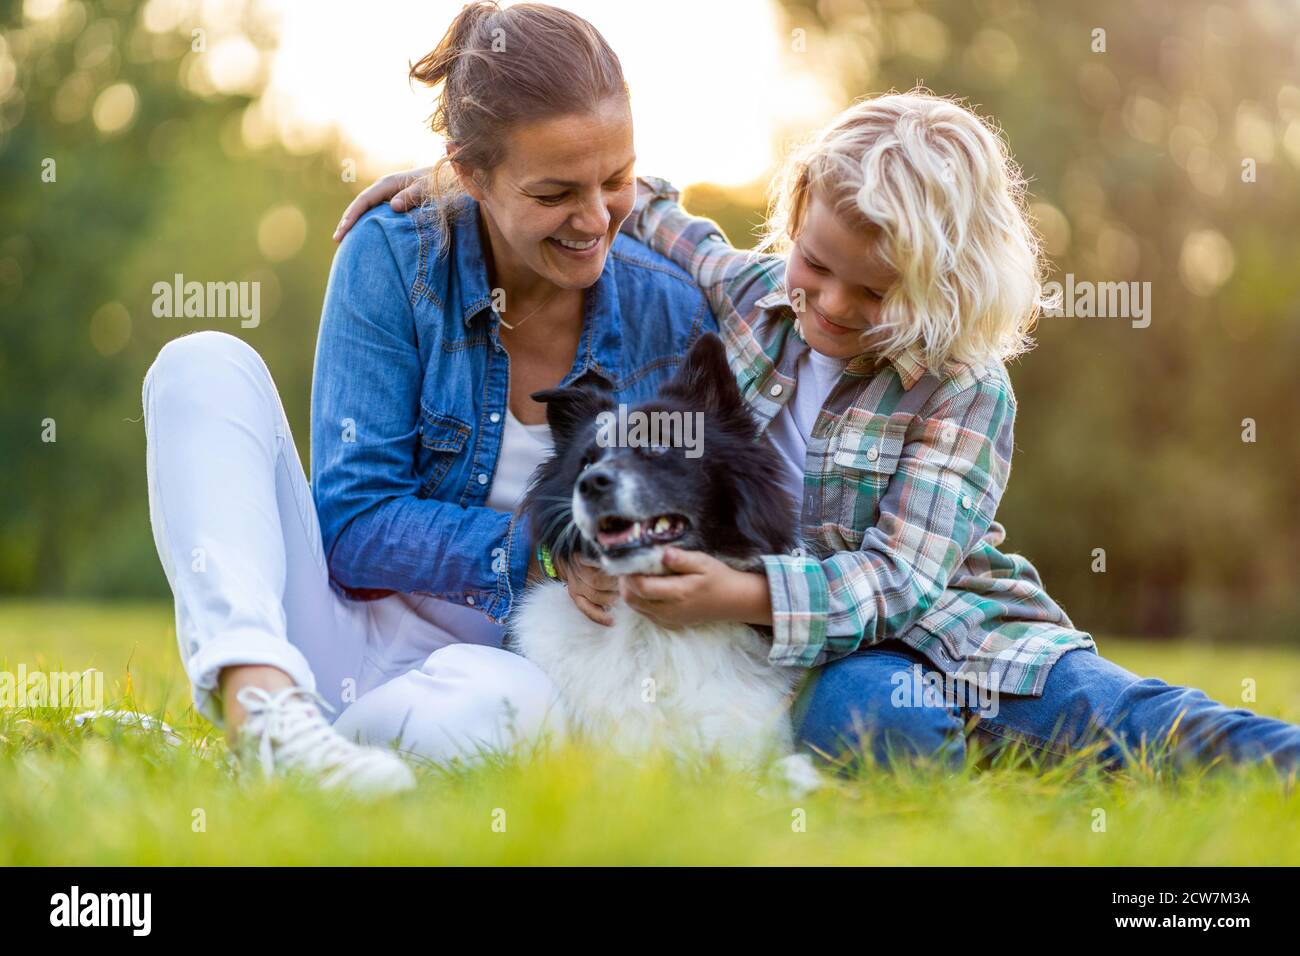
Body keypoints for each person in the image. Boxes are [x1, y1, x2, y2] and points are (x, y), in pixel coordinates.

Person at [344, 89, 1300, 776]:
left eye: (874, 292)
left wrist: (742, 591)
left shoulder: (964, 390)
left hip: (965, 630)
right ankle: (961, 757)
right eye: (815, 264)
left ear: (946, 292)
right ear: (792, 233)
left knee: (1113, 713)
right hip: (841, 658)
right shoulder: (760, 297)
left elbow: (898, 582)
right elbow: (640, 208)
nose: (831, 306)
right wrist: (468, 192)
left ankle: (1263, 760)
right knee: (872, 724)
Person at [142, 1, 713, 795]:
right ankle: (264, 704)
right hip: (337, 629)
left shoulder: (671, 309)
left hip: (503, 671)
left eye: (616, 180)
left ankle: (327, 754)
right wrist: (545, 550)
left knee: (511, 718)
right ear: (469, 173)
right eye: (553, 192)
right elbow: (351, 522)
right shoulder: (395, 257)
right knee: (200, 362)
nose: (595, 219)